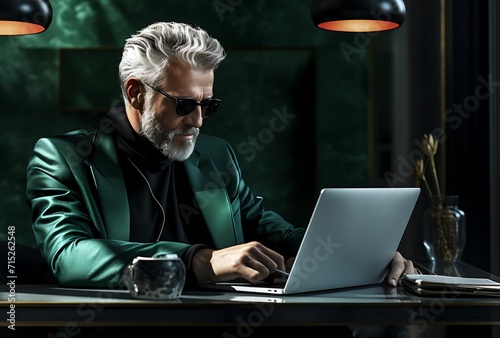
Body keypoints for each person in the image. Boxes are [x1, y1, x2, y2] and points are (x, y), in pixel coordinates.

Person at [26, 21, 416, 337]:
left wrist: (357, 254)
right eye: (183, 105)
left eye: (207, 104)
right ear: (135, 92)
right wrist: (197, 260)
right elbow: (68, 255)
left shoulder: (216, 154)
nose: (197, 121)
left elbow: (264, 224)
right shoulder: (63, 157)